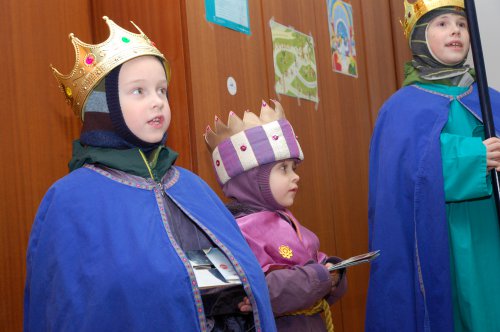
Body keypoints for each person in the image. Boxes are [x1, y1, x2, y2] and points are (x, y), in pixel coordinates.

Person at [24, 16, 277, 332]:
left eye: (162, 90)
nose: (157, 102)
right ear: (103, 105)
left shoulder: (193, 187)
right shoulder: (70, 200)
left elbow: (243, 274)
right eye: (138, 91)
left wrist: (245, 296)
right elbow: (67, 310)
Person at [366, 1, 500, 331]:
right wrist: (473, 158)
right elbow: (404, 176)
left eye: (462, 24)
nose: (455, 30)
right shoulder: (400, 109)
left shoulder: (491, 98)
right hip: (435, 239)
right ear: (419, 38)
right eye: (441, 24)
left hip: (490, 235)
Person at [204, 100, 347, 331]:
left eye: (294, 168)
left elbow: (314, 268)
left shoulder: (288, 221)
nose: (295, 176)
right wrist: (321, 277)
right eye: (283, 168)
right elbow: (256, 290)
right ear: (250, 178)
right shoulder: (239, 230)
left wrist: (334, 274)